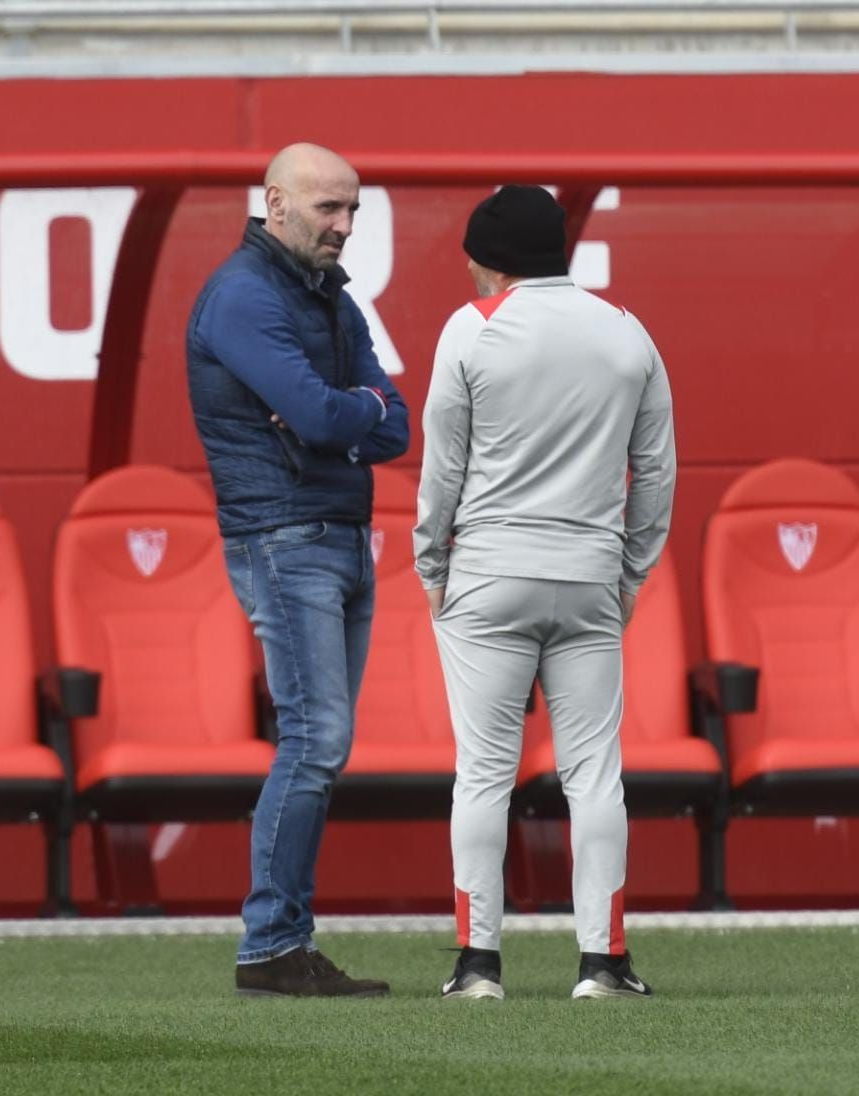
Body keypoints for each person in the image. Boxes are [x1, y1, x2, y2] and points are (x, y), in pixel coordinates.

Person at [414, 185, 676, 1001]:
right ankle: (602, 963)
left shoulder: (472, 327)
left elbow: (442, 470)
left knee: (483, 774)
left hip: (488, 572)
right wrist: (629, 572)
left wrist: (432, 569)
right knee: (595, 773)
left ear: (493, 261)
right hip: (590, 571)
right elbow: (657, 473)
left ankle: (477, 966)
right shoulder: (628, 332)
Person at [186, 142, 410, 997]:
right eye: (329, 209)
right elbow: (330, 415)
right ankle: (270, 944)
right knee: (316, 741)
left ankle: (283, 942)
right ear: (276, 204)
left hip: (341, 537)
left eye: (354, 209)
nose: (346, 227)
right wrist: (343, 413)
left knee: (321, 744)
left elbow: (393, 426)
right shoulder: (242, 298)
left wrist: (339, 414)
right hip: (285, 536)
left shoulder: (327, 298)